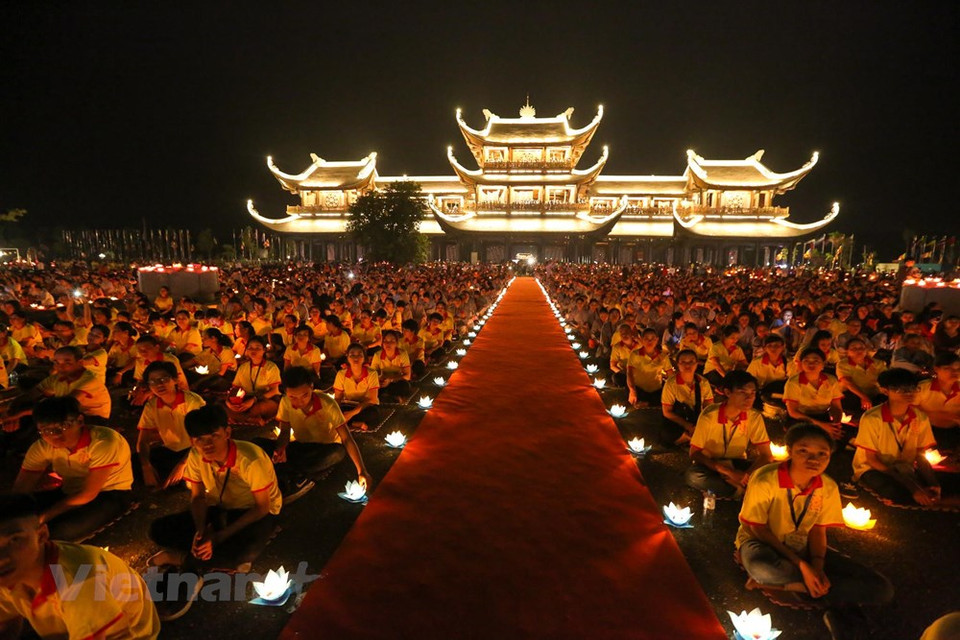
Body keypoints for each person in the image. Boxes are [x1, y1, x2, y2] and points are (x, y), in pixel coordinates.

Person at [736, 424, 893, 638]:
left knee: (882, 589)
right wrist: (803, 566)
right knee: (763, 568)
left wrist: (817, 566)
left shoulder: (827, 487)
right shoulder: (765, 479)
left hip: (803, 545)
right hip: (760, 543)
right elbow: (757, 528)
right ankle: (818, 590)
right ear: (790, 451)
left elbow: (819, 531)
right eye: (804, 451)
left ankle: (797, 587)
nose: (814, 459)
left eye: (822, 454)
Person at [0, 494, 160, 639]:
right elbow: (6, 620)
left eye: (14, 540)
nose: (2, 557)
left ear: (42, 535)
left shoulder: (79, 583)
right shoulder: (11, 574)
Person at [147, 404, 282, 573]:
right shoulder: (196, 455)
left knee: (242, 557)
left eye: (213, 436)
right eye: (199, 439)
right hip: (220, 507)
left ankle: (177, 558)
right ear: (192, 441)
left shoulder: (251, 460)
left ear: (227, 433)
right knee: (157, 530)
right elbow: (198, 497)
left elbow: (262, 507)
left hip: (252, 511)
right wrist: (201, 532)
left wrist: (218, 537)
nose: (207, 444)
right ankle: (209, 555)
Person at [13, 397, 134, 542]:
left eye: (62, 427)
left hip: (109, 493)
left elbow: (88, 494)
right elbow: (21, 490)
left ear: (80, 421)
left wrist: (43, 517)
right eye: (46, 430)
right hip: (69, 491)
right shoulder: (42, 447)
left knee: (56, 532)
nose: (55, 435)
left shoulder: (103, 442)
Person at [258, 367, 371, 501]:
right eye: (293, 397)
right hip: (301, 446)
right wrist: (280, 448)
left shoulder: (328, 404)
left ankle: (296, 477)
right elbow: (285, 432)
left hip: (324, 449)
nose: (299, 402)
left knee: (337, 452)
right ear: (286, 393)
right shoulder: (285, 402)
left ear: (312, 387)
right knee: (258, 444)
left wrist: (362, 470)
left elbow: (346, 438)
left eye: (305, 395)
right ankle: (292, 471)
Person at [853, 368, 959, 507]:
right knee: (895, 490)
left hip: (905, 468)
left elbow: (920, 455)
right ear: (885, 391)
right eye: (900, 389)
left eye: (912, 388)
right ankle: (935, 503)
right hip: (873, 469)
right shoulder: (872, 418)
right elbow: (872, 459)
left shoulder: (920, 417)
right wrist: (913, 486)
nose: (908, 393)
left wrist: (933, 483)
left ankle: (931, 499)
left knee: (951, 482)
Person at [686, 371, 773, 498]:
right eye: (742, 392)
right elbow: (694, 453)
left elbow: (766, 455)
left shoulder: (754, 417)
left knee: (771, 472)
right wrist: (727, 471)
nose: (749, 398)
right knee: (693, 476)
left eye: (752, 393)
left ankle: (735, 490)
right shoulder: (709, 416)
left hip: (737, 462)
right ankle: (746, 493)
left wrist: (745, 477)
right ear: (727, 393)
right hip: (713, 464)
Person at [136, 361, 206, 489]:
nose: (159, 385)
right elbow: (143, 440)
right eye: (153, 382)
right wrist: (146, 466)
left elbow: (204, 438)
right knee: (136, 461)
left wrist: (182, 465)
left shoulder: (192, 402)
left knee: (190, 476)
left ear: (175, 380)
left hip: (197, 451)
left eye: (163, 379)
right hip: (172, 451)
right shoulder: (152, 405)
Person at [783, 348, 844, 440]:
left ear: (823, 365)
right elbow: (793, 411)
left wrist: (836, 425)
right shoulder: (794, 382)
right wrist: (822, 425)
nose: (811, 363)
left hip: (822, 416)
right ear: (801, 364)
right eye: (806, 360)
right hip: (801, 418)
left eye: (816, 360)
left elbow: (836, 407)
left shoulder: (831, 380)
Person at [660, 349, 714, 446]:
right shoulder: (671, 384)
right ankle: (691, 438)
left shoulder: (703, 383)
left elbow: (708, 409)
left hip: (697, 419)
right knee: (667, 433)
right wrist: (687, 425)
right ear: (678, 364)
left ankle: (689, 438)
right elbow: (667, 411)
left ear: (697, 363)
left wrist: (700, 425)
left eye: (691, 362)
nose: (687, 365)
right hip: (680, 420)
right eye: (683, 362)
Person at [226, 336, 281, 424]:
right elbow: (235, 388)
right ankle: (249, 418)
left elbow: (274, 391)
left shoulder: (271, 367)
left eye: (257, 348)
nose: (253, 350)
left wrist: (254, 400)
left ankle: (241, 417)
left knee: (260, 407)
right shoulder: (243, 367)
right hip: (245, 399)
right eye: (250, 348)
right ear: (247, 350)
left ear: (264, 350)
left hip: (265, 399)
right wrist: (228, 401)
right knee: (222, 405)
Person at [916, 352, 960, 450]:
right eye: (948, 368)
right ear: (936, 369)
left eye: (958, 369)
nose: (954, 372)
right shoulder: (922, 388)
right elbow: (910, 410)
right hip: (928, 431)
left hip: (955, 431)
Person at [333, 343, 381, 431]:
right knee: (333, 412)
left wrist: (350, 414)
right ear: (347, 357)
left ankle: (350, 422)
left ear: (364, 358)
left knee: (374, 413)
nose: (356, 357)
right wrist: (337, 412)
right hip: (348, 405)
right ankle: (355, 423)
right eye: (352, 355)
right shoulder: (341, 374)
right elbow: (338, 398)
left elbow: (372, 400)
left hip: (365, 407)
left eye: (359, 354)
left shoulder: (372, 373)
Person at [836, 336, 887, 416]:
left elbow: (884, 379)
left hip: (873, 394)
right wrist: (863, 397)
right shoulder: (843, 364)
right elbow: (848, 383)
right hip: (852, 395)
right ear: (847, 352)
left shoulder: (877, 363)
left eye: (861, 348)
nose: (858, 350)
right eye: (854, 348)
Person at [626, 327, 672, 407]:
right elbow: (629, 373)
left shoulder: (663, 356)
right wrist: (632, 390)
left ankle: (647, 403)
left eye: (652, 338)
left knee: (664, 397)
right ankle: (645, 402)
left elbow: (671, 375)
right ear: (642, 340)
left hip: (656, 390)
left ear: (657, 340)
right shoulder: (635, 354)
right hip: (639, 388)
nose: (650, 341)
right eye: (646, 338)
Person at [371, 330, 412, 402]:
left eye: (392, 341)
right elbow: (372, 374)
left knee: (405, 385)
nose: (388, 344)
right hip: (383, 383)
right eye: (385, 341)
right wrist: (380, 379)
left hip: (397, 382)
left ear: (396, 343)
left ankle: (392, 397)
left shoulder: (402, 354)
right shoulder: (377, 355)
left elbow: (407, 376)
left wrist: (390, 380)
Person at [747, 334, 788, 406]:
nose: (773, 348)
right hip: (761, 395)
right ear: (764, 348)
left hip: (779, 393)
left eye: (776, 345)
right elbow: (748, 381)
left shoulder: (788, 363)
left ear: (783, 347)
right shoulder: (756, 363)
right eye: (769, 346)